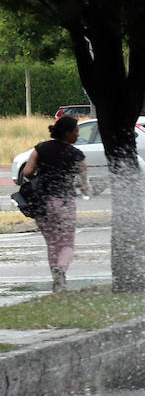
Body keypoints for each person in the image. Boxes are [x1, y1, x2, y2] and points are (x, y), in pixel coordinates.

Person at [22, 115, 90, 292]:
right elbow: (84, 186)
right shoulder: (76, 154)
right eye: (76, 131)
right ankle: (61, 269)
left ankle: (56, 278)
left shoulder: (40, 148)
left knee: (52, 243)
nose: (77, 134)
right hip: (64, 203)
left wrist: (41, 178)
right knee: (67, 244)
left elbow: (28, 172)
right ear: (68, 133)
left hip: (42, 204)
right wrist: (82, 186)